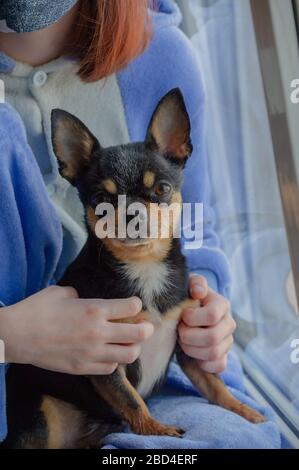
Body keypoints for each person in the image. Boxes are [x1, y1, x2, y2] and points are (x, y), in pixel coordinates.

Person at [0, 0, 236, 444]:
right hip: (30, 391)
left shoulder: (161, 53)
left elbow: (197, 232)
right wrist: (8, 337)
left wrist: (207, 315)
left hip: (165, 382)